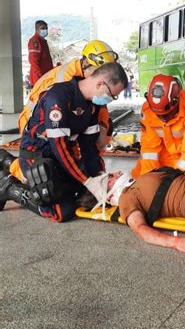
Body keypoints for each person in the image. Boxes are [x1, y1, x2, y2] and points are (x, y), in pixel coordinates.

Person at [0, 62, 128, 222]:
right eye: (111, 95)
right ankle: (8, 186)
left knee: (85, 197)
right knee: (62, 212)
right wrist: (87, 180)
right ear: (100, 83)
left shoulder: (91, 106)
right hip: (37, 156)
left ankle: (7, 162)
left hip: (61, 156)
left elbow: (89, 148)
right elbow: (58, 146)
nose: (110, 100)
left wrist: (98, 176)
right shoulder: (58, 98)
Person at [17, 40, 118, 146]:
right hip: (36, 128)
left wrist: (102, 127)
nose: (100, 79)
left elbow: (99, 107)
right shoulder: (66, 80)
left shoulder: (86, 78)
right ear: (86, 63)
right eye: (98, 73)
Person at [131, 74, 185, 178]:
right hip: (167, 151)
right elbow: (149, 147)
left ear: (176, 101)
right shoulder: (147, 110)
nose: (162, 119)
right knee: (139, 176)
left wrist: (176, 178)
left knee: (184, 184)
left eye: (166, 115)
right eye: (158, 115)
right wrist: (149, 177)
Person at [28, 20, 54, 86]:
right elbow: (33, 61)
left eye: (46, 28)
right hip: (39, 79)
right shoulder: (35, 41)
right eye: (42, 28)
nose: (45, 30)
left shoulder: (44, 42)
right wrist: (40, 76)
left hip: (46, 77)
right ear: (37, 29)